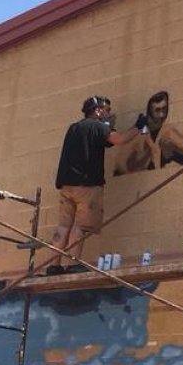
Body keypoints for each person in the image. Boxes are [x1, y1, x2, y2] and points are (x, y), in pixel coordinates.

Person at [48, 95, 144, 275]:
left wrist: (107, 126)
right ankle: (73, 264)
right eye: (106, 110)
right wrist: (138, 126)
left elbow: (97, 143)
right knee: (81, 225)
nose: (108, 114)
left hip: (66, 185)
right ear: (98, 111)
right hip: (87, 185)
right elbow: (120, 139)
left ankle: (54, 265)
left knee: (63, 226)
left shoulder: (74, 128)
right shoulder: (98, 127)